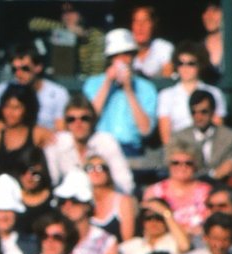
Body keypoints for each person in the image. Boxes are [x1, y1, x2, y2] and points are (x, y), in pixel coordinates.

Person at [82, 28, 157, 159]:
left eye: (127, 54)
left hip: (131, 150)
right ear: (110, 58)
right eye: (117, 56)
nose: (122, 60)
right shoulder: (93, 84)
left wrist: (129, 90)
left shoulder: (146, 88)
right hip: (99, 148)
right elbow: (87, 120)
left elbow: (145, 130)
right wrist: (107, 83)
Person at [46, 93, 134, 195]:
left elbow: (126, 184)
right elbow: (50, 181)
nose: (78, 124)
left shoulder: (106, 141)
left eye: (84, 118)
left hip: (102, 199)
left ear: (92, 120)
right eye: (71, 119)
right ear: (66, 123)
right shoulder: (57, 142)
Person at [57, 169, 118, 254]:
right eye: (63, 201)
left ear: (87, 205)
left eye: (74, 200)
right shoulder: (54, 236)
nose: (68, 206)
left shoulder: (106, 241)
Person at [155, 42, 227, 148]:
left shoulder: (214, 93)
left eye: (191, 63)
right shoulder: (166, 95)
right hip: (179, 150)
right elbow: (166, 137)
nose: (185, 68)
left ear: (200, 65)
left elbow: (219, 129)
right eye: (181, 63)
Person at [0, 43, 69, 132]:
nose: (18, 74)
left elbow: (61, 129)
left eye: (25, 69)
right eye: (14, 70)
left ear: (38, 67)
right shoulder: (3, 89)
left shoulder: (58, 94)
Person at [0, 84, 53, 180]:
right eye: (6, 107)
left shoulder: (38, 134)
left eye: (16, 108)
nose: (10, 113)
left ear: (27, 109)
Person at [169, 89, 232, 183]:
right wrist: (214, 174)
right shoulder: (179, 138)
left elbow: (228, 168)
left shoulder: (229, 138)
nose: (198, 117)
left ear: (213, 111)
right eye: (194, 112)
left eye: (204, 112)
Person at [143, 143, 212, 236]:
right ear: (168, 164)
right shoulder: (153, 192)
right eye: (175, 163)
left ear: (195, 166)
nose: (182, 167)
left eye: (188, 163)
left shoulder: (207, 191)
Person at [87, 154, 137, 242]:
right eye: (90, 167)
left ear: (108, 173)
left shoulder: (122, 201)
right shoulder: (82, 203)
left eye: (101, 167)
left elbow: (128, 241)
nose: (95, 171)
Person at [129, 5, 174, 78]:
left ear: (153, 25)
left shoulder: (164, 47)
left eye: (145, 21)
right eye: (136, 21)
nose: (140, 26)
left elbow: (167, 78)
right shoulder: (124, 49)